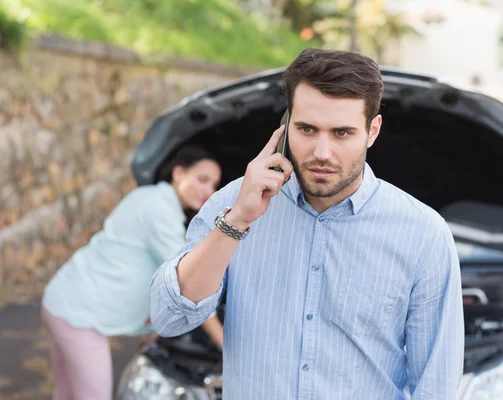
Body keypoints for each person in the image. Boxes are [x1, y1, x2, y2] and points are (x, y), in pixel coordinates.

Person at [150, 49, 464, 399]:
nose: (322, 152)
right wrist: (238, 220)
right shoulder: (232, 203)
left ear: (372, 131)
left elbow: (436, 386)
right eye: (307, 129)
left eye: (342, 133)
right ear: (285, 126)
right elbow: (168, 318)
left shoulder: (423, 235)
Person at [41, 145, 224, 400]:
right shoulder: (160, 211)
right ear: (178, 173)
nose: (208, 191)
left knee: (67, 394)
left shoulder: (150, 197)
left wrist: (154, 329)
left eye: (214, 185)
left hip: (61, 299)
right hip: (77, 315)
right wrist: (224, 344)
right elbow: (188, 283)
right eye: (202, 179)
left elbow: (137, 264)